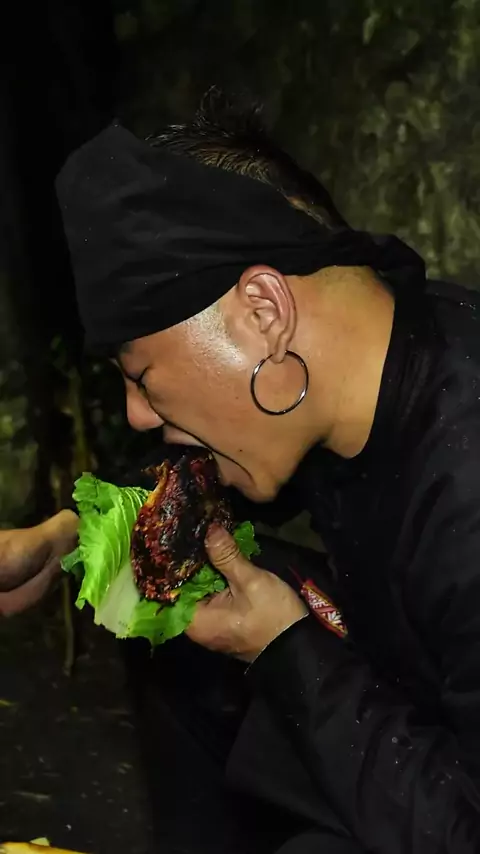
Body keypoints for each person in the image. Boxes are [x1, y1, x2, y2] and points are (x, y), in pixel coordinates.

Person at [3, 88, 480, 852]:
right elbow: (191, 487)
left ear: (263, 312)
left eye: (141, 373)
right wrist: (70, 537)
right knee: (170, 602)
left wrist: (287, 649)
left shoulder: (465, 488)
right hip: (420, 700)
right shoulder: (365, 363)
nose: (135, 413)